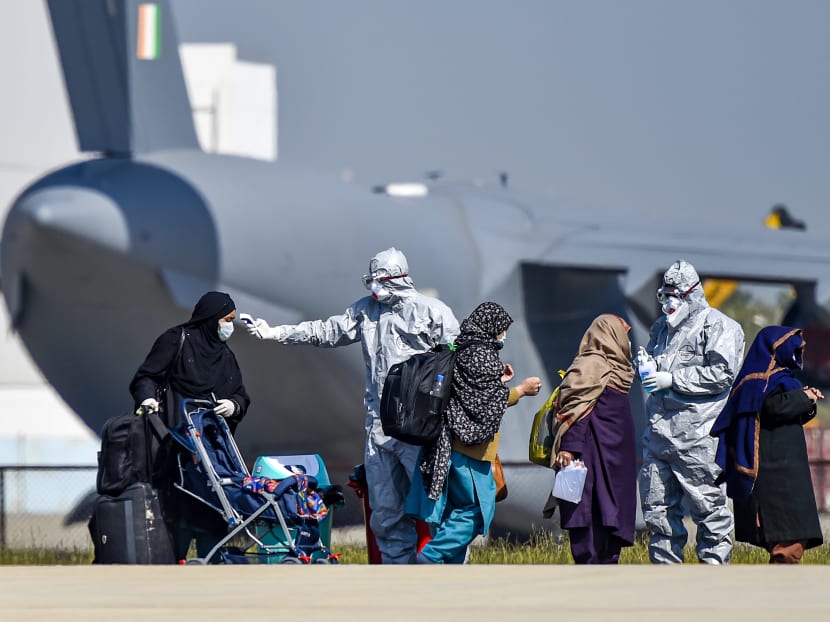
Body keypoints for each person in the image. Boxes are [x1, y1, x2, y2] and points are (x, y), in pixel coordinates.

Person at [247, 247, 459, 564]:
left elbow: (462, 357)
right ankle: (397, 576)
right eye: (371, 281)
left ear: (401, 277)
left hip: (421, 426)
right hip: (379, 427)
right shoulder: (364, 312)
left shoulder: (432, 311)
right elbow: (326, 330)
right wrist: (277, 332)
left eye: (382, 280)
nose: (375, 288)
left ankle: (449, 570)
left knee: (434, 504)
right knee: (386, 510)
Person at [407, 301, 541, 564]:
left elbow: (471, 392)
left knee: (452, 512)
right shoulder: (481, 355)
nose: (503, 335)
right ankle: (430, 557)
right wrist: (521, 390)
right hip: (468, 450)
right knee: (476, 509)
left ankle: (449, 571)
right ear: (491, 328)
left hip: (446, 447)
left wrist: (498, 380)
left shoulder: (462, 349)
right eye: (501, 330)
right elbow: (485, 401)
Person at [130, 291, 251, 560]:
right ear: (211, 319)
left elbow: (240, 393)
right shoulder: (176, 341)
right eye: (226, 319)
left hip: (213, 451)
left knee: (214, 514)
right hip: (176, 443)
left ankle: (213, 565)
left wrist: (233, 405)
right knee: (176, 515)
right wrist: (147, 399)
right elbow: (146, 376)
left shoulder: (225, 356)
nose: (229, 325)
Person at [639, 260, 744, 564]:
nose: (669, 302)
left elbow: (722, 373)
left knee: (709, 510)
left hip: (698, 436)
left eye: (676, 295)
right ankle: (666, 580)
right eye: (665, 295)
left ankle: (711, 580)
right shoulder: (661, 329)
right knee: (657, 510)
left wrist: (674, 379)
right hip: (659, 433)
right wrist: (648, 366)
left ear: (692, 293)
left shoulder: (719, 326)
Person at [710, 326, 824, 563]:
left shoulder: (780, 381)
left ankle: (778, 593)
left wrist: (805, 399)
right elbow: (774, 407)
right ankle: (776, 594)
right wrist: (804, 398)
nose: (796, 354)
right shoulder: (757, 382)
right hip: (774, 477)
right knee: (788, 542)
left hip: (786, 473)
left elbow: (788, 409)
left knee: (791, 539)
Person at [545, 313, 636, 564]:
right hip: (587, 454)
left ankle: (607, 568)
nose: (626, 341)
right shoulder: (590, 364)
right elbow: (576, 407)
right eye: (622, 334)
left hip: (615, 457)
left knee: (612, 513)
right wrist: (570, 447)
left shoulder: (621, 368)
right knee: (586, 513)